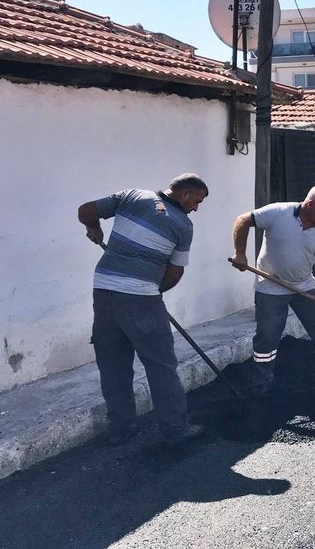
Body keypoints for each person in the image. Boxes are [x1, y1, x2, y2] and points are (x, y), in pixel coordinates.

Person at [77, 174, 208, 446]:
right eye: (197, 201)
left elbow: (85, 211)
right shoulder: (183, 225)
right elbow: (174, 273)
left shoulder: (132, 195)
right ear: (184, 193)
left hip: (103, 291)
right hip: (141, 299)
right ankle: (175, 429)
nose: (196, 208)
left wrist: (94, 227)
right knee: (161, 365)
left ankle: (121, 428)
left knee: (113, 364)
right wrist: (150, 290)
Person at [230, 185, 315, 396]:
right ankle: (261, 383)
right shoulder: (277, 213)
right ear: (310, 205)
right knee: (267, 336)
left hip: (304, 284)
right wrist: (239, 253)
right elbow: (242, 220)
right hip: (270, 286)